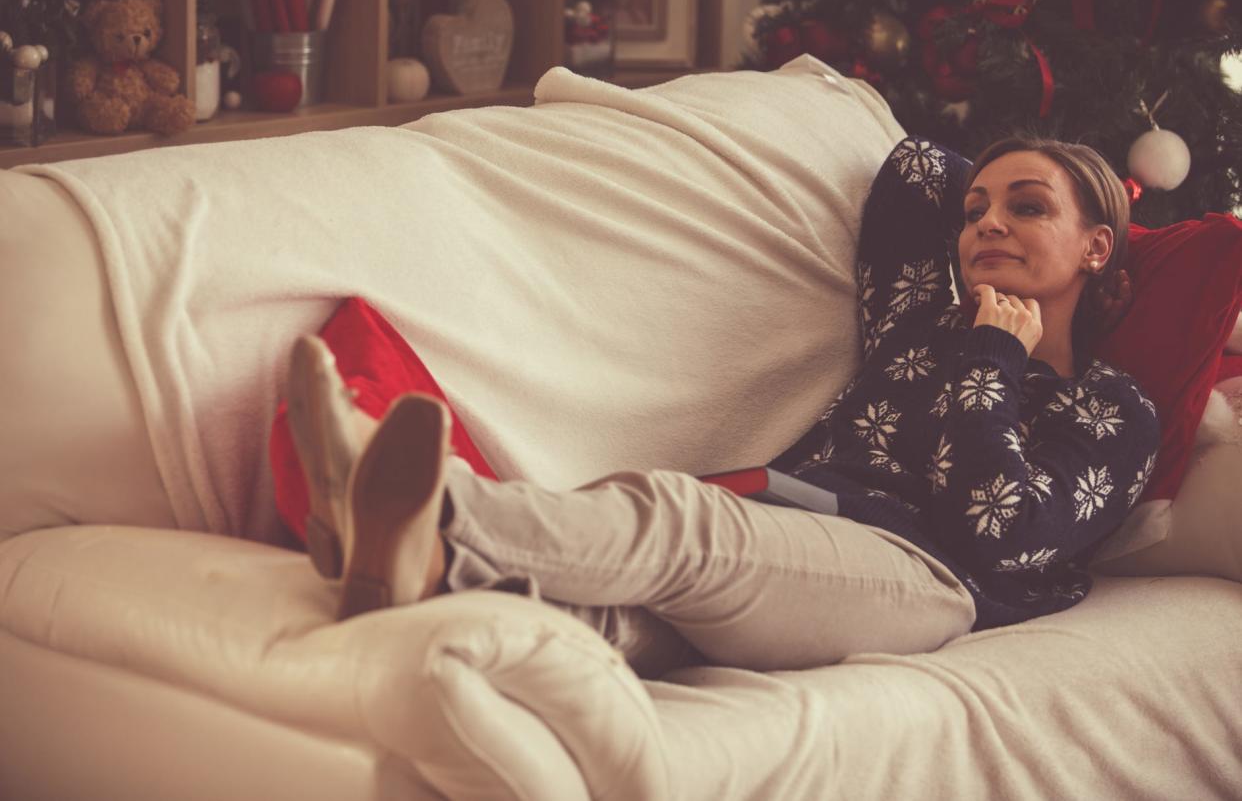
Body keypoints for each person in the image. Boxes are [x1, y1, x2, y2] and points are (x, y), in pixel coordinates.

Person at [284, 134, 1159, 677]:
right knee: (619, 629)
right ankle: (418, 573)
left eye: (1028, 207)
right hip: (794, 519)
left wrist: (998, 357)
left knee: (677, 520)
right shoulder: (919, 327)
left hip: (926, 576)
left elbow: (996, 527)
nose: (987, 224)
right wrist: (989, 270)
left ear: (1096, 247)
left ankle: (415, 502)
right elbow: (918, 169)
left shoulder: (1114, 408)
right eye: (977, 213)